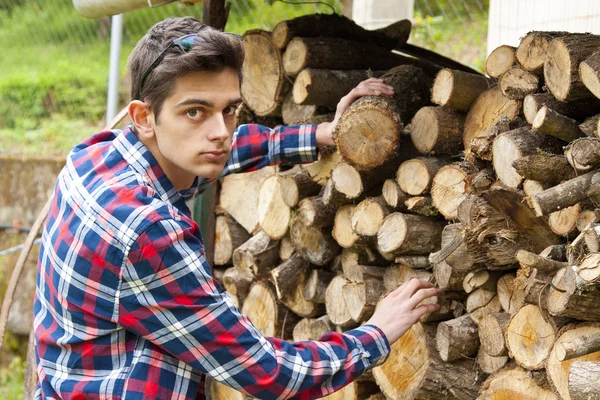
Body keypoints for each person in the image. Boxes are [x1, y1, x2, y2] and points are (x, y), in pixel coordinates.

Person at [33, 16, 440, 399]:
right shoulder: (146, 232)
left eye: (228, 109)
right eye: (194, 111)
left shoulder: (95, 157)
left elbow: (221, 148)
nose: (219, 133)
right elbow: (269, 373)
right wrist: (377, 334)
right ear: (144, 117)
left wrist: (320, 134)